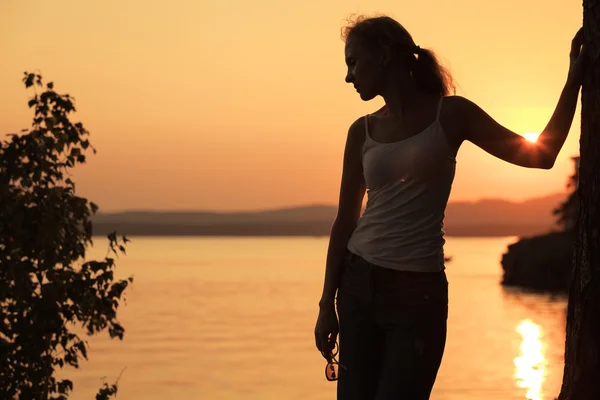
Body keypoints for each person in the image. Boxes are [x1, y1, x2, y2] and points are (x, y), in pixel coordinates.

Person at [314, 14, 586, 400]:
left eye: (353, 62)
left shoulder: (452, 115)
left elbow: (541, 155)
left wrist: (574, 78)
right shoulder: (361, 131)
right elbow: (345, 221)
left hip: (417, 294)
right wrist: (328, 304)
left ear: (385, 54)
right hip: (358, 286)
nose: (348, 76)